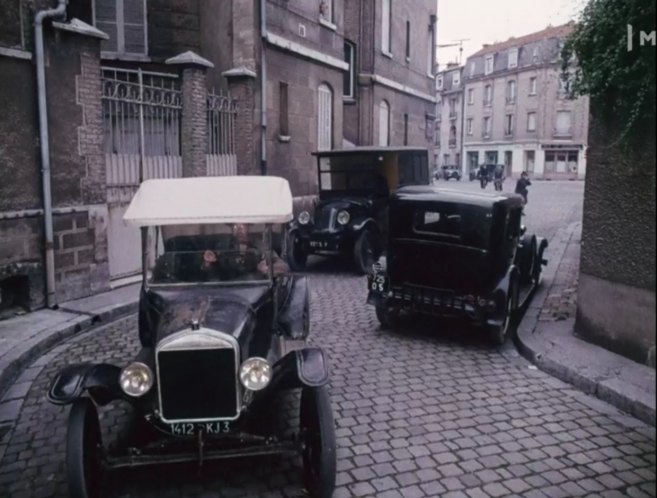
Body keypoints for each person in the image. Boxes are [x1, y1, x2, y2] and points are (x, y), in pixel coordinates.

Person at [202, 223, 289, 279]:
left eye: (243, 226)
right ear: (232, 230)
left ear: (248, 228)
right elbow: (209, 272)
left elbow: (284, 266)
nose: (240, 230)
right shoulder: (223, 246)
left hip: (255, 288)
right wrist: (208, 262)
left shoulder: (259, 245)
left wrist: (268, 268)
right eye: (235, 226)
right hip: (228, 288)